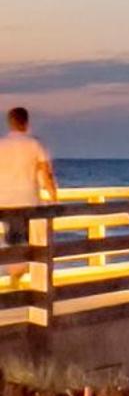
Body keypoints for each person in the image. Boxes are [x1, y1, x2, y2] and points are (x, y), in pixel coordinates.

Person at [0, 106, 57, 288]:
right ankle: (23, 275)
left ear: (10, 123)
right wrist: (54, 197)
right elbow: (46, 173)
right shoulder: (35, 144)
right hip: (28, 200)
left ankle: (15, 275)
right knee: (32, 240)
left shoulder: (2, 145)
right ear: (26, 122)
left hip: (5, 201)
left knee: (14, 239)